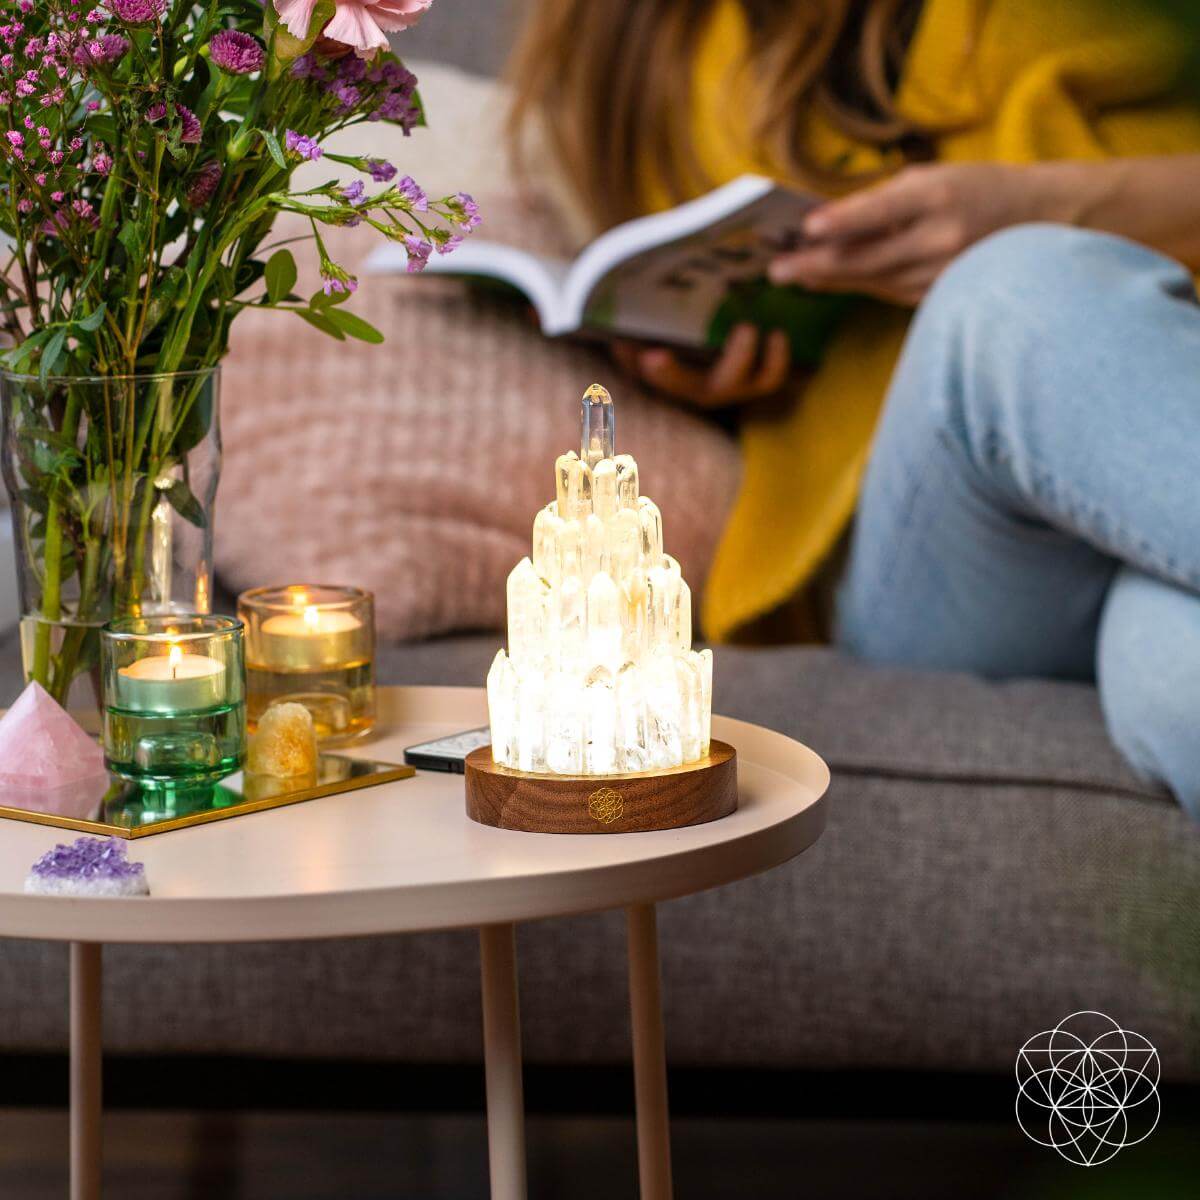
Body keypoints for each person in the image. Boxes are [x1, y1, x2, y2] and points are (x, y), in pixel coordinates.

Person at [508, 0, 1200, 815]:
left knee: (1175, 682)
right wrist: (700, 370)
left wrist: (1048, 202)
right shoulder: (632, 44)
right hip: (958, 550)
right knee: (1008, 301)